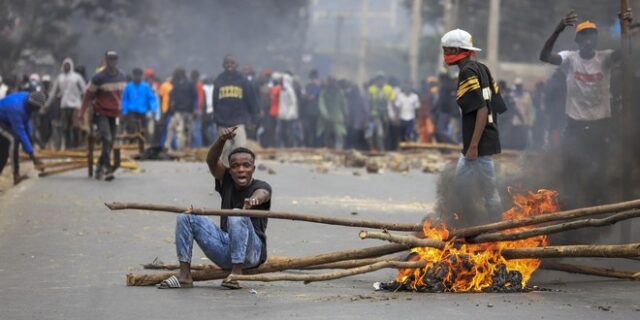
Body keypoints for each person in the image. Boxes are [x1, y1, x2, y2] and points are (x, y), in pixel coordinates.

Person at [157, 126, 271, 289]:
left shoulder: (261, 186)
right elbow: (211, 161)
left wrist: (253, 200)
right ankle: (185, 275)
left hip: (251, 254)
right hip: (225, 249)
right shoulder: (226, 180)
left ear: (253, 169)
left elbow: (263, 193)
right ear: (229, 170)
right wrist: (222, 140)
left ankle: (236, 273)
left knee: (237, 214)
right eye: (236, 166)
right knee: (186, 217)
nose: (241, 170)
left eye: (246, 165)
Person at [539, 11, 631, 206]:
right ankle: (571, 210)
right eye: (584, 36)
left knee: (599, 173)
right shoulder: (570, 59)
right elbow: (544, 56)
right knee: (571, 173)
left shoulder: (605, 58)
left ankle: (597, 212)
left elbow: (628, 51)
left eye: (592, 36)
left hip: (600, 127)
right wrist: (558, 29)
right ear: (578, 40)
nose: (589, 39)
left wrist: (628, 27)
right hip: (575, 128)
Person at [442, 29, 505, 218]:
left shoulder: (467, 72)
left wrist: (475, 145)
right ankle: (467, 221)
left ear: (457, 50)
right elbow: (496, 105)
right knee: (461, 185)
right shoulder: (482, 68)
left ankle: (497, 226)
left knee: (489, 192)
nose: (445, 54)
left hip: (478, 144)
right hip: (482, 139)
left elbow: (482, 109)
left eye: (447, 50)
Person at [79, 50, 127, 181]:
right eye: (110, 59)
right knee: (106, 138)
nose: (112, 62)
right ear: (106, 61)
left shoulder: (122, 77)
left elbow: (124, 97)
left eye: (114, 59)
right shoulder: (98, 77)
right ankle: (107, 168)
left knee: (110, 142)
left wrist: (124, 111)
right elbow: (87, 96)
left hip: (115, 113)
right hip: (101, 113)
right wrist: (81, 113)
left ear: (117, 61)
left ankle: (99, 166)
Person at [213, 55, 258, 166]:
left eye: (232, 63)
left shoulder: (243, 81)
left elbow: (251, 100)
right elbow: (215, 101)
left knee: (240, 150)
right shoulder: (219, 80)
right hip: (223, 122)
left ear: (236, 65)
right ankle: (224, 177)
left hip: (238, 122)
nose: (229, 65)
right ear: (223, 65)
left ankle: (239, 175)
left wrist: (253, 119)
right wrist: (216, 118)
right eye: (227, 63)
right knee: (224, 151)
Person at [0, 91, 45, 184]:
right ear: (32, 105)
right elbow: (20, 132)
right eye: (36, 108)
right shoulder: (16, 109)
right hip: (2, 121)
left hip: (6, 120)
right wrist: (33, 157)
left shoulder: (27, 100)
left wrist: (30, 141)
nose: (36, 111)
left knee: (4, 154)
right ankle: (16, 175)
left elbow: (26, 122)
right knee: (14, 140)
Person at [47, 58, 86, 149]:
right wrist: (47, 105)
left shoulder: (77, 77)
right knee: (65, 128)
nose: (66, 67)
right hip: (64, 105)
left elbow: (84, 91)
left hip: (76, 105)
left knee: (76, 126)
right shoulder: (60, 78)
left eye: (68, 65)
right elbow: (53, 93)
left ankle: (76, 145)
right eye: (65, 65)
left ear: (71, 66)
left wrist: (85, 103)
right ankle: (68, 147)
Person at [121, 68, 159, 137]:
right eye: (136, 75)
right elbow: (125, 100)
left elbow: (151, 99)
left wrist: (153, 109)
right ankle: (132, 141)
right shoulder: (129, 86)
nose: (137, 77)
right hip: (131, 111)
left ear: (141, 76)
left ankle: (141, 143)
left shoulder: (145, 86)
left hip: (142, 111)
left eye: (139, 76)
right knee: (132, 127)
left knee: (142, 129)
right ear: (133, 76)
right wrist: (124, 111)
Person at [165, 68, 197, 151]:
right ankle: (169, 146)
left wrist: (194, 110)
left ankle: (184, 148)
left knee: (185, 130)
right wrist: (172, 104)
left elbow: (194, 97)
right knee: (173, 128)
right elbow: (172, 96)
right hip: (178, 111)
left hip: (187, 111)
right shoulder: (176, 84)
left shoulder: (190, 84)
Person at [317, 77, 347, 149]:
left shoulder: (340, 93)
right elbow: (321, 105)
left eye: (333, 82)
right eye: (330, 82)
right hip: (327, 120)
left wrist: (346, 114)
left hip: (337, 118)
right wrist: (325, 115)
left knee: (339, 135)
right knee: (328, 136)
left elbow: (344, 105)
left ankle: (338, 151)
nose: (331, 84)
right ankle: (331, 150)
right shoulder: (324, 93)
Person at [509, 78, 534, 150]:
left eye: (519, 85)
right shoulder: (511, 96)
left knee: (523, 138)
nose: (518, 87)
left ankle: (522, 150)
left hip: (524, 121)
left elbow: (530, 110)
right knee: (515, 138)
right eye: (517, 85)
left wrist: (530, 122)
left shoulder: (527, 96)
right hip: (514, 121)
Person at [276, 73, 298, 148]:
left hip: (289, 115)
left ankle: (290, 147)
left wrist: (290, 113)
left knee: (290, 133)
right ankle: (284, 146)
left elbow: (293, 102)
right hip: (282, 114)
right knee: (282, 132)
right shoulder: (282, 89)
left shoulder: (290, 90)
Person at [301, 69, 322, 147]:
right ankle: (314, 146)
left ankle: (308, 145)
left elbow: (302, 98)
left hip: (307, 112)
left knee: (308, 130)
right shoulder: (319, 87)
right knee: (314, 130)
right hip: (316, 112)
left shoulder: (306, 87)